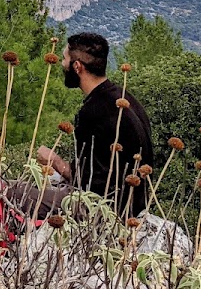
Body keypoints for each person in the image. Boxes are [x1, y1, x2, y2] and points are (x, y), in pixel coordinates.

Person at [37, 32, 154, 217]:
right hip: (136, 204)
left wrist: (55, 161)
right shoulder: (125, 97)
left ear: (77, 66)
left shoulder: (93, 112)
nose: (62, 64)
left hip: (106, 209)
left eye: (65, 59)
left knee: (15, 193)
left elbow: (90, 182)